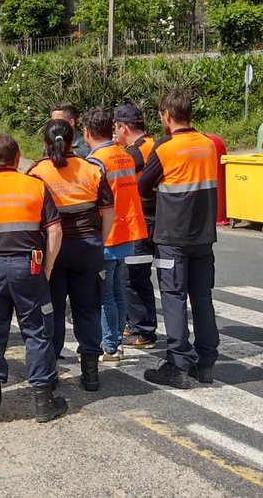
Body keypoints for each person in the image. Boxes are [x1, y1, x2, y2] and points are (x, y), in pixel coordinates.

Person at [0, 133, 69, 423]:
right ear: (18, 158)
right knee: (37, 332)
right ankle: (44, 402)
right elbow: (55, 231)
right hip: (29, 267)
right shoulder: (35, 186)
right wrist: (47, 268)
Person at [137, 89, 219, 388]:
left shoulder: (165, 148)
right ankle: (206, 362)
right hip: (203, 236)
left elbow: (142, 186)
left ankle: (178, 364)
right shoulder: (208, 144)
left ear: (167, 116)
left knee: (173, 296)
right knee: (202, 296)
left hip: (172, 236)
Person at [27, 119, 114, 392]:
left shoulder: (37, 172)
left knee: (51, 310)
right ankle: (90, 373)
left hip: (52, 250)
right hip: (87, 249)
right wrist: (101, 241)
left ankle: (50, 373)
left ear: (44, 143)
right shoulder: (91, 169)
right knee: (87, 309)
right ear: (74, 139)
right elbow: (109, 211)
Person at [83, 107, 146, 367]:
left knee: (106, 294)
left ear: (87, 133)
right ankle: (116, 342)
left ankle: (110, 345)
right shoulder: (124, 156)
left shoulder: (96, 161)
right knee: (118, 291)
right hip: (126, 232)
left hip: (107, 236)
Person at [115, 105, 161, 349]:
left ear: (123, 127)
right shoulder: (154, 143)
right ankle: (138, 324)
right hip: (156, 219)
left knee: (132, 277)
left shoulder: (136, 152)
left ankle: (142, 328)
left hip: (141, 221)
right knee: (138, 275)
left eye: (115, 128)